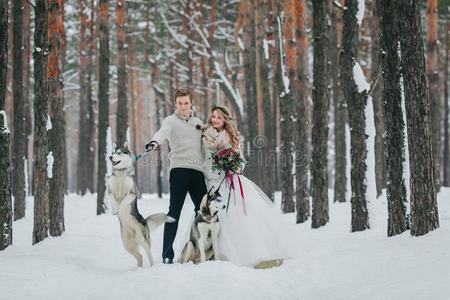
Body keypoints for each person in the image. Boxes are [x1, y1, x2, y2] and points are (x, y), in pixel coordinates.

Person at [202, 105, 295, 267]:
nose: (215, 120)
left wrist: (231, 165)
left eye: (219, 117)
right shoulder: (204, 136)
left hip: (230, 184)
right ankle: (210, 252)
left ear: (225, 120)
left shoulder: (231, 137)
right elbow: (203, 160)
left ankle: (237, 253)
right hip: (211, 183)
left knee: (234, 217)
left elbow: (241, 163)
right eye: (213, 116)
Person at [146, 88, 207, 264]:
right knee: (174, 212)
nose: (183, 106)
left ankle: (203, 250)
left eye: (186, 103)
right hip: (179, 170)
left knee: (204, 211)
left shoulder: (198, 123)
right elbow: (162, 133)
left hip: (197, 171)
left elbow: (205, 146)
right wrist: (155, 142)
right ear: (175, 104)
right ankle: (167, 255)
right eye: (180, 103)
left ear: (191, 103)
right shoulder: (170, 121)